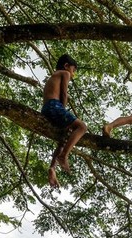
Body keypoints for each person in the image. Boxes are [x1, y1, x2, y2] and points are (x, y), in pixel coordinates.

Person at [41, 54, 87, 188]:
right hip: (54, 106)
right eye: (74, 70)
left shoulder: (54, 76)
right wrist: (64, 110)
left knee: (65, 137)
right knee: (82, 127)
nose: (72, 75)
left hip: (47, 109)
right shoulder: (64, 73)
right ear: (67, 66)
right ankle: (63, 156)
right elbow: (64, 94)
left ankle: (52, 168)